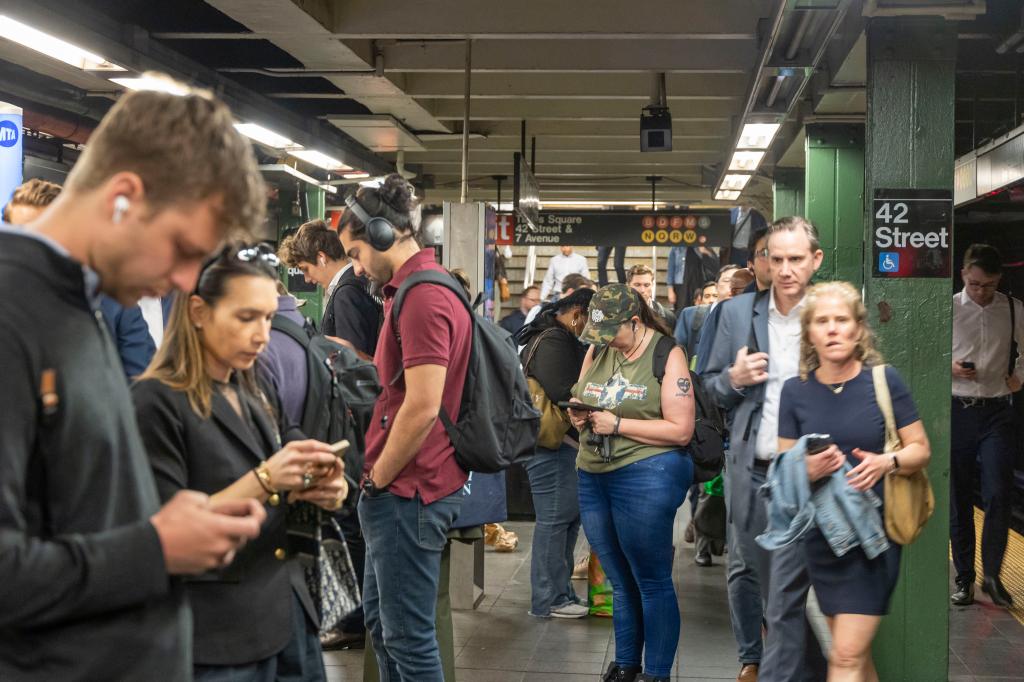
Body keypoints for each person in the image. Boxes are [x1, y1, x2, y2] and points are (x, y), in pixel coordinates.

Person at [0, 79, 270, 681]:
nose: (182, 282)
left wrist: (168, 522)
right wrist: (155, 548)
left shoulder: (82, 305)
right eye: (179, 248)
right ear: (123, 196)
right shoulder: (12, 313)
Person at [134, 244, 347, 679]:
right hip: (216, 635)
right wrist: (267, 477)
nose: (262, 335)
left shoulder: (254, 391)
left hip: (287, 617)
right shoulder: (156, 402)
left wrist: (327, 486)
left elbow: (295, 457)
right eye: (245, 317)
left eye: (268, 318)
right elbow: (164, 534)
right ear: (197, 311)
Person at [338, 174, 470, 681]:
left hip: (409, 489)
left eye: (354, 253)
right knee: (385, 627)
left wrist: (380, 477)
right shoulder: (410, 290)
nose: (355, 266)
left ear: (381, 235)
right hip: (403, 487)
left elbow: (422, 405)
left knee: (409, 641)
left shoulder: (422, 297)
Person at [777, 280, 930, 680]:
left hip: (873, 541)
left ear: (859, 329)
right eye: (822, 321)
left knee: (843, 657)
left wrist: (887, 462)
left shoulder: (884, 381)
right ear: (809, 332)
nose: (832, 329)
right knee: (856, 659)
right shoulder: (795, 392)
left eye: (841, 320)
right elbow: (783, 466)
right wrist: (807, 469)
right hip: (824, 539)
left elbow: (920, 450)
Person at [702, 216, 829, 682]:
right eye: (776, 259)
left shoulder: (832, 312)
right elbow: (710, 388)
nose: (785, 269)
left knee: (799, 596)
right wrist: (733, 380)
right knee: (765, 584)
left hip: (818, 474)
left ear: (815, 260)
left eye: (796, 259)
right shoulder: (735, 314)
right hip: (757, 473)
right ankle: (763, 660)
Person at [569, 284, 695, 682]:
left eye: (611, 334)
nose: (603, 342)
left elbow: (681, 430)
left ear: (635, 323)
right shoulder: (599, 347)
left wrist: (618, 424)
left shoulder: (666, 354)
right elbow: (581, 393)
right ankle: (626, 665)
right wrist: (579, 414)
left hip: (646, 472)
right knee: (619, 579)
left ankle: (656, 673)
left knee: (651, 579)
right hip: (594, 472)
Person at [3, 177, 156, 380]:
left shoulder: (114, 302)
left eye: (42, 237)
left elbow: (140, 383)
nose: (31, 249)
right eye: (21, 235)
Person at [950, 243, 1024, 608]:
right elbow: (923, 353)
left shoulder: (1012, 309)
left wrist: (1020, 376)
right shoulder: (947, 308)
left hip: (997, 410)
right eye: (976, 284)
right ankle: (964, 578)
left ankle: (992, 575)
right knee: (959, 496)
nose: (982, 292)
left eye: (990, 285)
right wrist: (949, 368)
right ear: (964, 274)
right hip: (956, 409)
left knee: (998, 492)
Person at [517, 287, 596, 619]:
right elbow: (564, 391)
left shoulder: (559, 337)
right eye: (591, 319)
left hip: (561, 446)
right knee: (553, 519)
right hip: (549, 445)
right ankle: (548, 598)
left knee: (567, 517)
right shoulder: (553, 340)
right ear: (576, 312)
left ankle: (560, 593)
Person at [279, 218, 381, 357]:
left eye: (305, 269)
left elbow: (353, 360)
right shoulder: (360, 281)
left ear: (321, 257)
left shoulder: (345, 293)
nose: (307, 279)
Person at [523, 273, 595, 329]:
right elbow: (524, 341)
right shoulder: (539, 309)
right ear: (570, 292)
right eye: (581, 293)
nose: (583, 298)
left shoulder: (577, 312)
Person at [666, 241, 719, 313]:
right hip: (681, 286)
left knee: (698, 310)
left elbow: (715, 266)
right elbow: (671, 269)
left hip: (699, 284)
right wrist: (670, 290)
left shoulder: (702, 247)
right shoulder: (676, 248)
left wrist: (704, 250)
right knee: (681, 311)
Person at [627, 263, 676, 329]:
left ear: (652, 285)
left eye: (646, 285)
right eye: (637, 285)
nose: (642, 290)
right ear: (628, 286)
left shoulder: (669, 318)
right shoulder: (614, 315)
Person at [725, 203, 768, 267]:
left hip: (749, 252)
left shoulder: (758, 217)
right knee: (733, 273)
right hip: (734, 252)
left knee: (748, 274)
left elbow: (763, 235)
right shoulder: (730, 213)